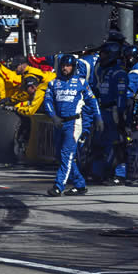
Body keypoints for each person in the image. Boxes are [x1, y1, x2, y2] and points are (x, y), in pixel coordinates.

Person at [43, 54, 103, 196]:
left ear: (74, 67)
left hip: (74, 123)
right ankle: (80, 184)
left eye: (68, 65)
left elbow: (93, 101)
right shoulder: (53, 83)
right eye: (63, 65)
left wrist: (98, 118)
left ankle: (58, 186)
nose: (65, 68)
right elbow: (47, 101)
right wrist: (53, 117)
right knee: (60, 155)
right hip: (59, 123)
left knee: (66, 155)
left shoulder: (82, 82)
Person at [94, 43, 129, 185]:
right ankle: (101, 172)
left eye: (103, 54)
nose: (101, 57)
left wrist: (121, 118)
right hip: (103, 112)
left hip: (114, 112)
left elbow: (121, 98)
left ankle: (119, 175)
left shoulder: (119, 74)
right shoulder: (103, 71)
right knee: (101, 144)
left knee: (117, 144)